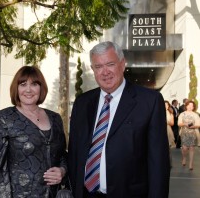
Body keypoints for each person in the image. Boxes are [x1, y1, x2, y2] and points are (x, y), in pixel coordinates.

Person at [68, 41, 170, 198]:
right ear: (93, 69)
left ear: (122, 64)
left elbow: (159, 163)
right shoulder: (82, 103)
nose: (105, 72)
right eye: (98, 66)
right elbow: (75, 154)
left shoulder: (149, 101)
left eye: (110, 64)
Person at [0, 66, 67, 198]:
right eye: (23, 84)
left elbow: (62, 155)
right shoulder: (4, 118)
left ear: (41, 88)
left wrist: (63, 171)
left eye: (34, 84)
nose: (29, 90)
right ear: (16, 88)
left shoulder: (55, 118)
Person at [177, 100, 200, 170]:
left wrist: (192, 126)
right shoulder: (182, 114)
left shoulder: (196, 115)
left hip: (193, 133)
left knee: (191, 148)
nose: (190, 107)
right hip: (184, 132)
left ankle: (190, 164)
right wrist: (185, 124)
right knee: (184, 148)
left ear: (193, 107)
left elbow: (198, 125)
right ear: (186, 106)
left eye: (192, 106)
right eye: (189, 105)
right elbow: (179, 123)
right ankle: (184, 157)